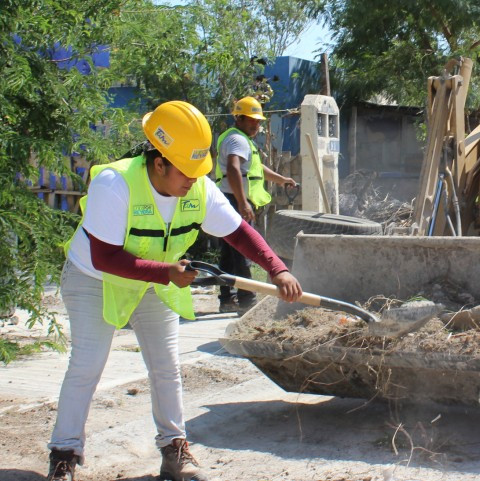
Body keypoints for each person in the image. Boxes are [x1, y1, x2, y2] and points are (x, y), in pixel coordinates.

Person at [46, 100, 302, 481]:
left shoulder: (198, 189)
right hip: (94, 278)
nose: (194, 181)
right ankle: (64, 454)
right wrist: (165, 272)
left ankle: (174, 449)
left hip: (155, 278)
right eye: (186, 171)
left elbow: (238, 232)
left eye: (199, 171)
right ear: (159, 163)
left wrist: (276, 268)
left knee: (166, 366)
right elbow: (104, 257)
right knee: (88, 363)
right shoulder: (114, 185)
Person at [216, 96, 298, 313]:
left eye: (258, 121)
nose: (256, 125)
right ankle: (246, 300)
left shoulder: (238, 138)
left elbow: (256, 168)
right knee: (244, 250)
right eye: (251, 120)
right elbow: (233, 168)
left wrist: (281, 179)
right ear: (239, 118)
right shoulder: (238, 140)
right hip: (234, 200)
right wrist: (242, 202)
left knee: (229, 253)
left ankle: (227, 299)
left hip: (229, 199)